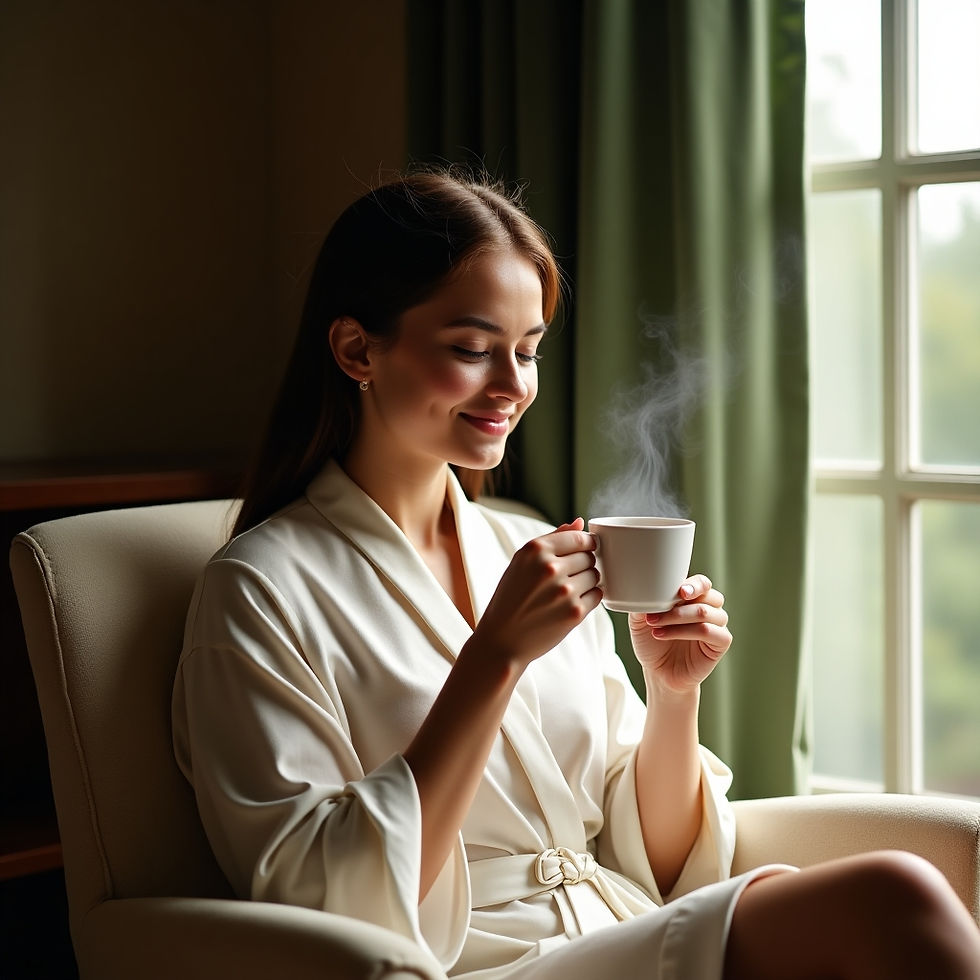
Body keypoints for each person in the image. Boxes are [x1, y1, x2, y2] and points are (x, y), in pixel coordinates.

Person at [172, 168, 980, 979]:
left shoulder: (527, 548)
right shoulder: (260, 591)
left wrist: (672, 693)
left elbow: (660, 861)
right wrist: (494, 657)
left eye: (527, 352)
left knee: (896, 903)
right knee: (893, 896)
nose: (512, 386)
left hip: (613, 929)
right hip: (476, 964)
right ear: (357, 349)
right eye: (472, 350)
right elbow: (323, 903)